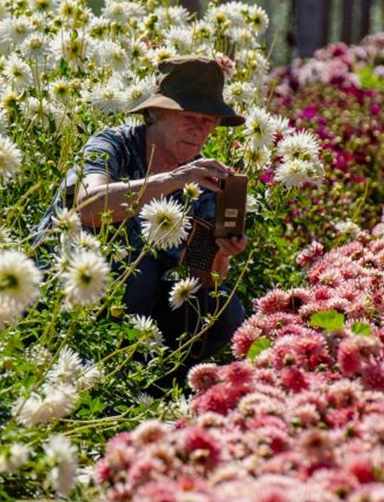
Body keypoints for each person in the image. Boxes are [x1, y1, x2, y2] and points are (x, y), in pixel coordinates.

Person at [64, 56, 250, 376]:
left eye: (208, 120)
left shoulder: (204, 179)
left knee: (224, 311)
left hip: (150, 313)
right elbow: (88, 207)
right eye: (189, 116)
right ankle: (99, 379)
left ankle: (161, 387)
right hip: (71, 288)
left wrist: (222, 249)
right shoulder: (112, 145)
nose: (199, 128)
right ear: (155, 114)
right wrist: (172, 180)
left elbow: (204, 279)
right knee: (139, 273)